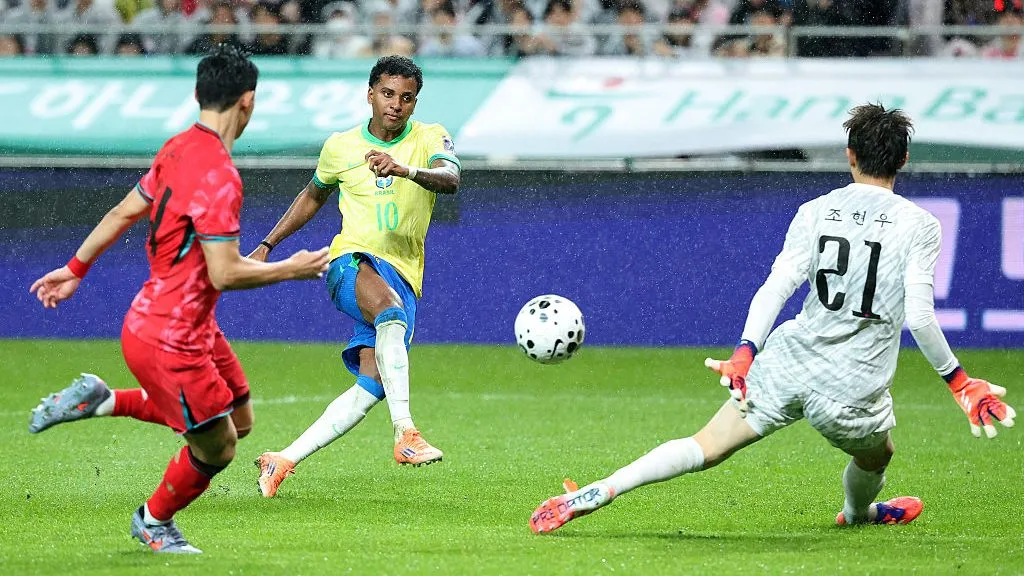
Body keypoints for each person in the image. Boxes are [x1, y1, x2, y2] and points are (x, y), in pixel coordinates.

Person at [529, 103, 1017, 534]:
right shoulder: (920, 225)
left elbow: (776, 288)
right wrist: (959, 383)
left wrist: (745, 352)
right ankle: (857, 512)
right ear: (904, 159)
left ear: (849, 154)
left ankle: (602, 489)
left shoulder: (815, 211)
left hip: (789, 357)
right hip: (852, 385)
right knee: (877, 454)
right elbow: (919, 316)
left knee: (706, 445)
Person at [27, 44, 330, 554]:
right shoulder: (219, 175)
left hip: (189, 324)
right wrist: (289, 268)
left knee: (241, 419)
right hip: (171, 337)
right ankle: (153, 521)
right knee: (219, 448)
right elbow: (225, 271)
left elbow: (124, 212)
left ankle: (103, 400)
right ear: (248, 103)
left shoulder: (176, 148)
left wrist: (74, 268)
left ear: (197, 94)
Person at [252, 55, 461, 497]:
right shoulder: (341, 146)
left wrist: (406, 169)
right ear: (370, 94)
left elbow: (450, 179)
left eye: (406, 98)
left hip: (403, 272)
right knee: (389, 312)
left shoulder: (429, 136)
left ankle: (282, 460)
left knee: (372, 384)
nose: (396, 105)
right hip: (351, 261)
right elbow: (313, 195)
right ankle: (406, 434)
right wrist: (269, 245)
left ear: (415, 102)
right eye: (387, 94)